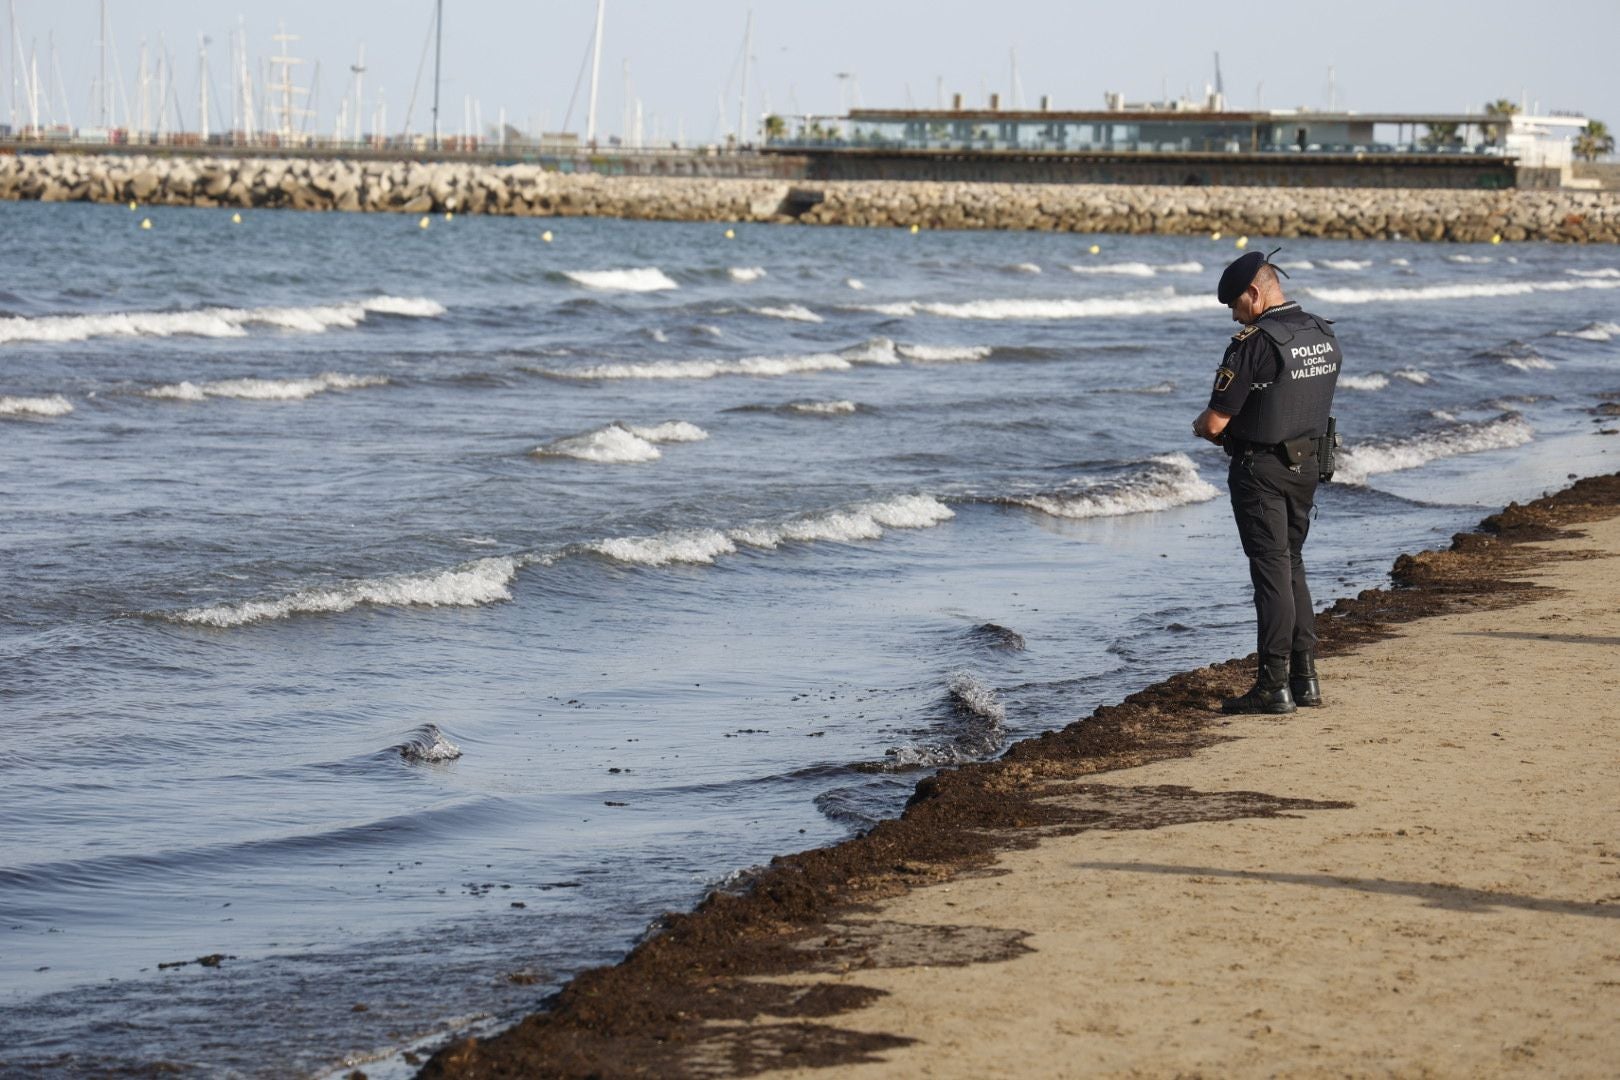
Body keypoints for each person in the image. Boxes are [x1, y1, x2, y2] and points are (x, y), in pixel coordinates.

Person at [1193, 250, 1340, 714]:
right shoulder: (1321, 331)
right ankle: (1305, 678)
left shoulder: (1253, 343)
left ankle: (1272, 686)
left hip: (1262, 472)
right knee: (1292, 565)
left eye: (1235, 304)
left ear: (1255, 293)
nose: (1233, 315)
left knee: (1271, 573)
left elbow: (1216, 423)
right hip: (1309, 465)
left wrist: (1200, 426)